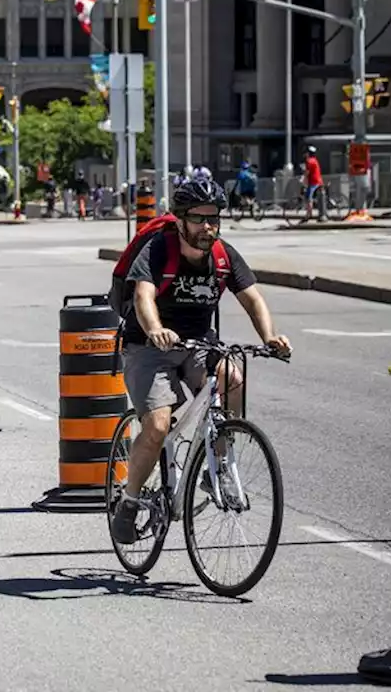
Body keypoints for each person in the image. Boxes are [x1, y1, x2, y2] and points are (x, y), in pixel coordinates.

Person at [110, 177, 291, 546]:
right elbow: (144, 296)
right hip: (147, 345)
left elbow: (252, 299)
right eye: (199, 218)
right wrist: (156, 329)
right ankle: (129, 502)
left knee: (233, 378)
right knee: (158, 427)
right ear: (180, 220)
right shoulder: (160, 249)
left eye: (214, 218)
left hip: (198, 344)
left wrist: (270, 337)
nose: (208, 227)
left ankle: (219, 465)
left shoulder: (224, 255)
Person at [302, 145, 325, 220]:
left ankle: (308, 215)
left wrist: (303, 180)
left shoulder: (309, 161)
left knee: (308, 198)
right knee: (313, 197)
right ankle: (311, 213)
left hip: (313, 182)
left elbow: (307, 172)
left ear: (308, 153)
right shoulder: (315, 160)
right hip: (318, 181)